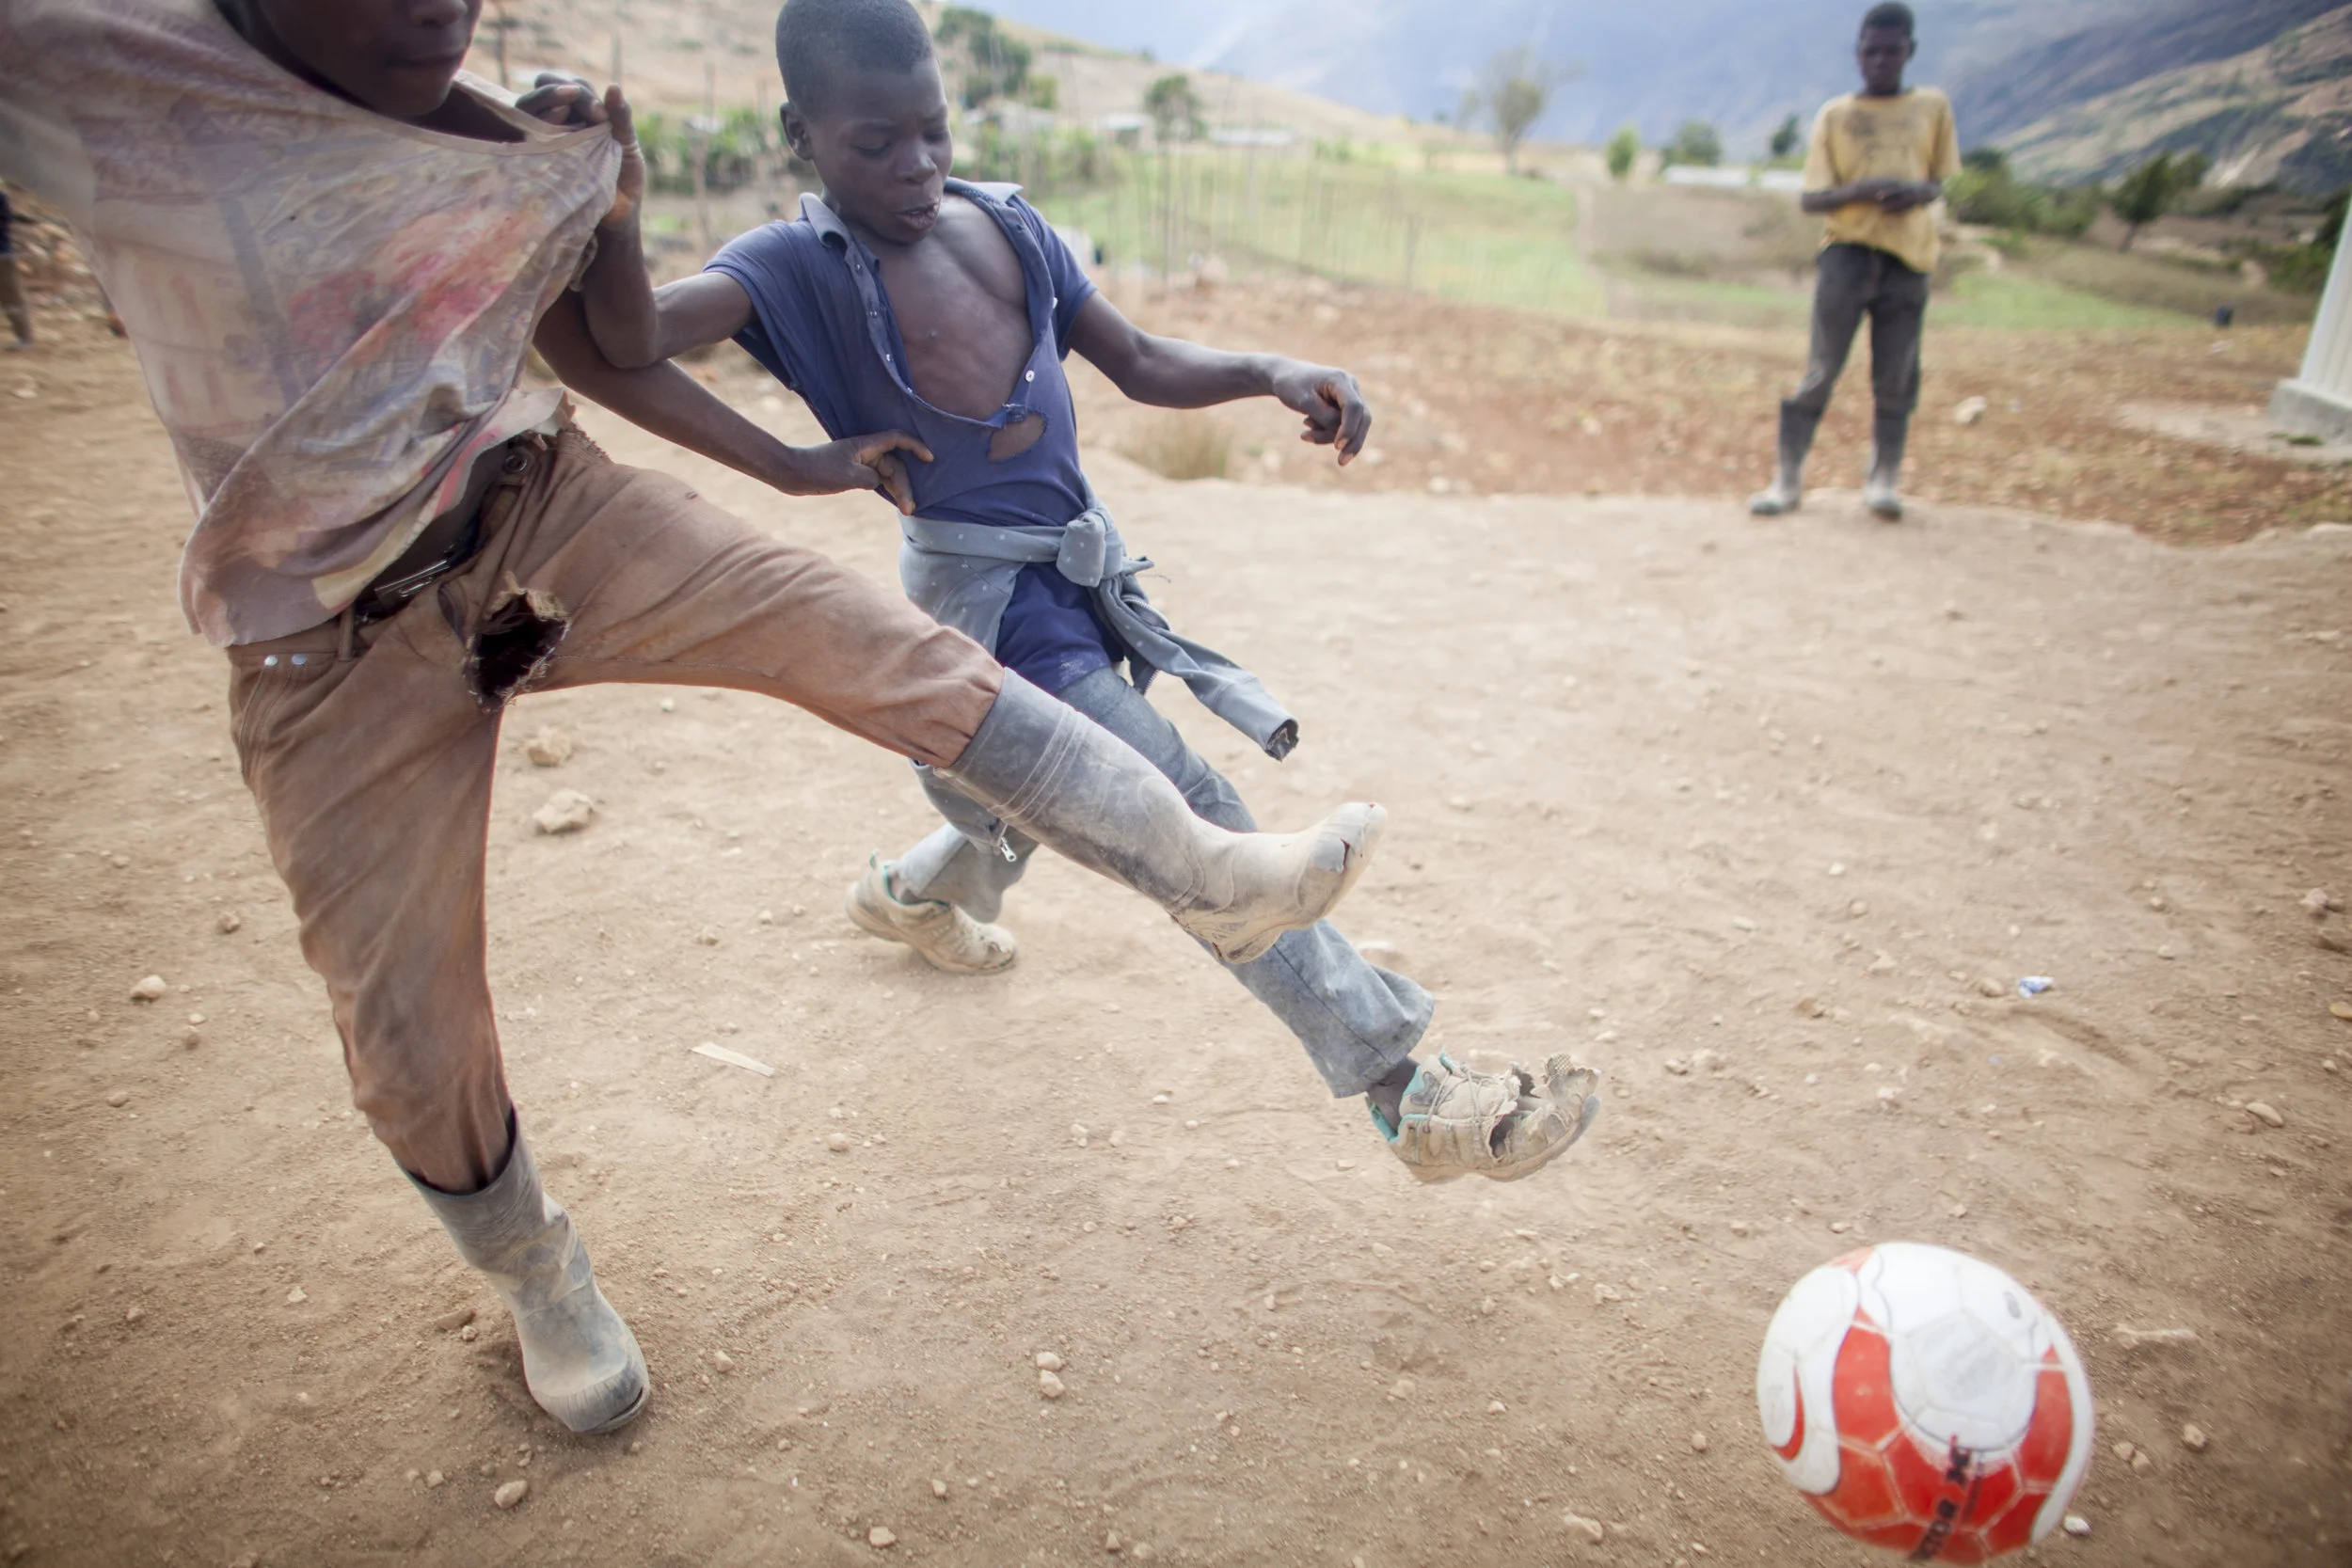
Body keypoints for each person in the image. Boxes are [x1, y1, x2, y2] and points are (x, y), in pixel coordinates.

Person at [0, 0, 1407, 1439]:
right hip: (322, 639)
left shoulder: (518, 134)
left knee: (880, 649)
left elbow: (598, 332)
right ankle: (535, 1264)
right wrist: (798, 454)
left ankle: (1204, 873)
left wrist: (607, 202)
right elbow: (640, 344)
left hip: (544, 507)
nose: (439, 12)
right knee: (406, 1025)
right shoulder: (98, 74)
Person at [538, 0, 1601, 1194]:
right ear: (801, 136)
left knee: (1040, 799)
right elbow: (618, 340)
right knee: (1180, 804)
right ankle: (1406, 1088)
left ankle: (912, 895)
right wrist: (781, 448)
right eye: (875, 143)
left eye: (932, 130)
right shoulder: (791, 269)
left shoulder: (1003, 221)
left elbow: (1138, 360)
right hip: (982, 607)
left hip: (1079, 570)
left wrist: (1268, 370)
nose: (917, 165)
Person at [1749, 1, 1959, 521]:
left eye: (1891, 51)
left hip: (1907, 258)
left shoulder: (1931, 108)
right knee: (1821, 369)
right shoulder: (1837, 116)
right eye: (1871, 51)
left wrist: (1916, 193)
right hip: (1845, 255)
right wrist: (1861, 191)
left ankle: (1883, 478)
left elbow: (1938, 182)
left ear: (1910, 51)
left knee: (1896, 376)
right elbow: (1810, 198)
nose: (1881, 60)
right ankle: (1788, 477)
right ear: (1857, 54)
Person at [0, 186, 31, 348]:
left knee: (10, 297)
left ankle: (24, 338)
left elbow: (4, 223)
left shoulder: (1, 197)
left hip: (2, 255)